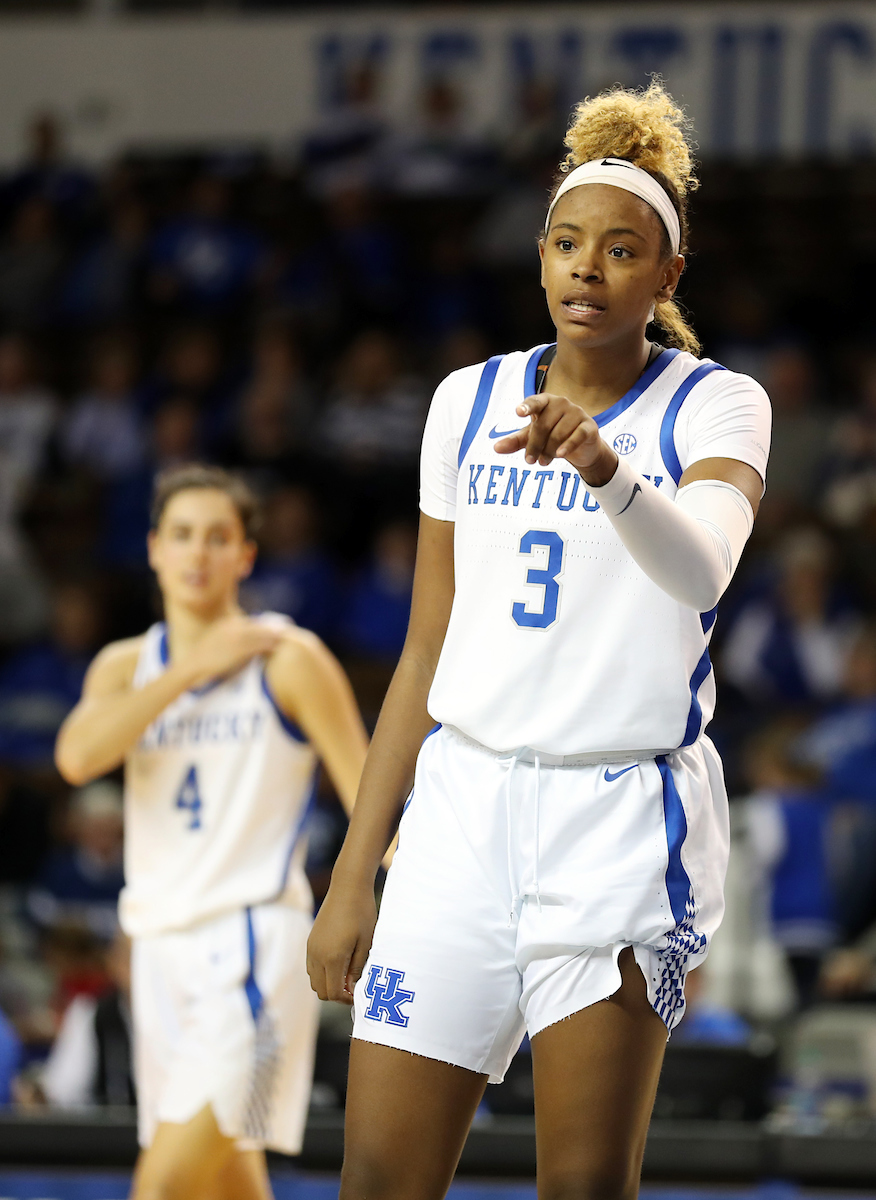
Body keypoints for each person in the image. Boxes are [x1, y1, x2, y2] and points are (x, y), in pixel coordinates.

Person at [307, 81, 771, 1199]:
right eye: (567, 244)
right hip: (461, 811)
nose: (586, 270)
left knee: (583, 1186)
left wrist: (603, 465)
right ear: (540, 256)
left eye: (621, 251)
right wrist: (354, 871)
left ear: (667, 277)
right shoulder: (466, 401)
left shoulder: (716, 405)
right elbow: (424, 651)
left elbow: (702, 571)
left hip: (618, 818)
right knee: (377, 1184)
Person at [55, 464, 368, 1200]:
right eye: (183, 535)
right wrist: (192, 667)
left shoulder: (288, 658)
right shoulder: (124, 666)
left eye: (218, 537)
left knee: (161, 1189)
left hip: (254, 949)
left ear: (246, 556)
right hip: (159, 959)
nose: (199, 553)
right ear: (154, 548)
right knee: (228, 1185)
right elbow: (77, 758)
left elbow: (370, 799)